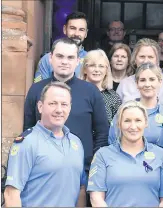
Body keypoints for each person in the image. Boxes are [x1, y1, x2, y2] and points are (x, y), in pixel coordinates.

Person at [24, 37, 109, 174]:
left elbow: (102, 132)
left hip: (83, 170)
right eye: (59, 56)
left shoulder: (91, 91)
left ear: (77, 61)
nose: (64, 61)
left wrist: (93, 165)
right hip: (42, 169)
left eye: (70, 57)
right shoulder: (36, 90)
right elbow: (28, 129)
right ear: (50, 58)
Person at [4, 82, 86, 207]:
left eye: (64, 104)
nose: (59, 110)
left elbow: (81, 189)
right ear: (40, 107)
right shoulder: (27, 142)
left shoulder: (76, 143)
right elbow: (11, 194)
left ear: (70, 107)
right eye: (52, 103)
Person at [87, 101, 163, 207]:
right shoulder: (102, 155)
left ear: (146, 123)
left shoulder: (162, 155)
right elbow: (96, 198)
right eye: (127, 121)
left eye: (138, 120)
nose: (133, 126)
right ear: (119, 124)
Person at [109, 62, 163, 144]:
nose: (147, 84)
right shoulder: (123, 112)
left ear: (160, 82)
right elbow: (113, 142)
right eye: (142, 80)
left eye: (152, 79)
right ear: (136, 83)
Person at [116, 38, 163, 103]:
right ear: (135, 59)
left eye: (150, 57)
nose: (146, 61)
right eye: (142, 56)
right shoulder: (125, 84)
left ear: (157, 60)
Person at [34, 11, 88, 82]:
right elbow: (39, 89)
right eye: (72, 28)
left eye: (81, 30)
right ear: (65, 29)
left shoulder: (90, 60)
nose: (76, 33)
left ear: (86, 33)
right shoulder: (47, 59)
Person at [80, 49, 122, 124]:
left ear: (106, 70)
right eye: (92, 65)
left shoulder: (114, 97)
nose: (97, 70)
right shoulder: (75, 93)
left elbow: (117, 127)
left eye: (101, 66)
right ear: (85, 69)